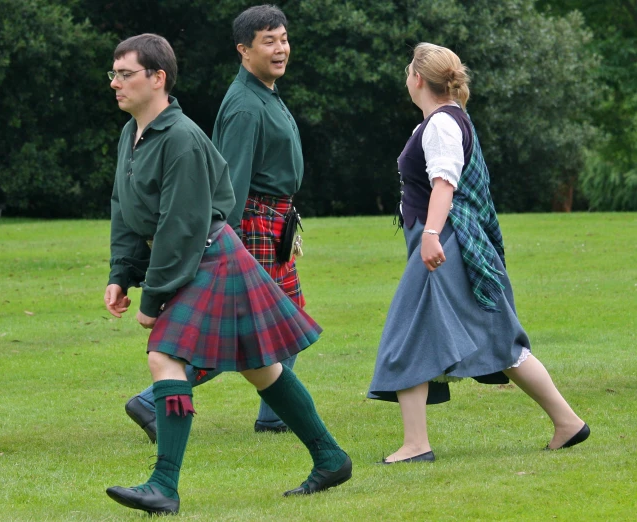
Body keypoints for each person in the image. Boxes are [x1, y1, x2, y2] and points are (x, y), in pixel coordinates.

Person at [103, 34, 351, 515]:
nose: (115, 83)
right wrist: (121, 272)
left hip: (210, 256)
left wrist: (152, 300)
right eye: (113, 74)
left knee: (166, 357)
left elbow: (181, 225)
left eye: (124, 74)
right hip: (203, 257)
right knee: (260, 366)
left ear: (158, 78)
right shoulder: (131, 134)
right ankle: (331, 456)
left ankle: (164, 486)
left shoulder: (181, 139)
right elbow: (125, 209)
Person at [368, 43, 589, 463]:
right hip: (451, 245)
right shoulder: (444, 121)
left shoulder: (441, 126)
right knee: (496, 335)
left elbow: (444, 184)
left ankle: (416, 445)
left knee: (406, 334)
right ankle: (568, 422)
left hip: (447, 246)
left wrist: (431, 233)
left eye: (408, 71)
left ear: (417, 79)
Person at [125, 4, 307, 440]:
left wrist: (289, 229)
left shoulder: (266, 92)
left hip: (274, 223)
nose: (280, 48)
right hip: (252, 226)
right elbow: (231, 183)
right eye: (269, 41)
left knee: (288, 319)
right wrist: (236, 245)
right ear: (244, 50)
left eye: (283, 38)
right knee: (241, 331)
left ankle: (273, 416)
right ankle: (152, 401)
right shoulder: (245, 106)